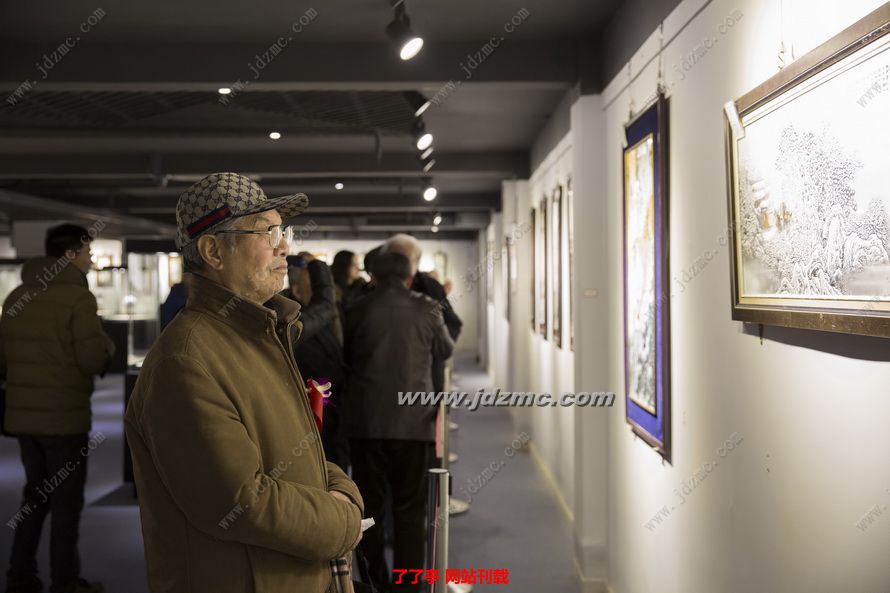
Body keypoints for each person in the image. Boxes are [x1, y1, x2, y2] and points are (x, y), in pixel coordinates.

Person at [124, 172, 364, 593]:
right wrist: (342, 519)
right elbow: (238, 501)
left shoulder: (260, 334)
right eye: (267, 232)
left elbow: (295, 449)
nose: (283, 246)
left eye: (283, 232)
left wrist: (343, 491)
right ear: (213, 251)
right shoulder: (185, 360)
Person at [1, 223, 114, 593]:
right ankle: (64, 582)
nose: (91, 260)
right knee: (66, 504)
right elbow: (90, 360)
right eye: (87, 253)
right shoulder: (78, 299)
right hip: (64, 418)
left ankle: (20, 576)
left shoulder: (16, 296)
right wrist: (107, 348)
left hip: (23, 419)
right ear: (70, 255)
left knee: (34, 497)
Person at [344, 251, 454, 593]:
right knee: (411, 510)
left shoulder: (357, 309)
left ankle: (375, 583)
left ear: (373, 276)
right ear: (410, 277)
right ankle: (409, 586)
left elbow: (344, 356)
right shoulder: (428, 308)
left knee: (370, 510)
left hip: (367, 423)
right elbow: (446, 350)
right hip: (414, 422)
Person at [281, 254, 349, 471]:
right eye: (314, 288)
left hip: (332, 413)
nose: (321, 295)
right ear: (297, 291)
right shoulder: (295, 326)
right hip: (315, 418)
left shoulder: (323, 324)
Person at [382, 234, 463, 393]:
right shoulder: (373, 289)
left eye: (405, 259)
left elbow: (452, 323)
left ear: (416, 262)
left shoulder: (432, 288)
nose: (400, 264)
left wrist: (431, 346)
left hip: (427, 377)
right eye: (395, 258)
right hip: (383, 379)